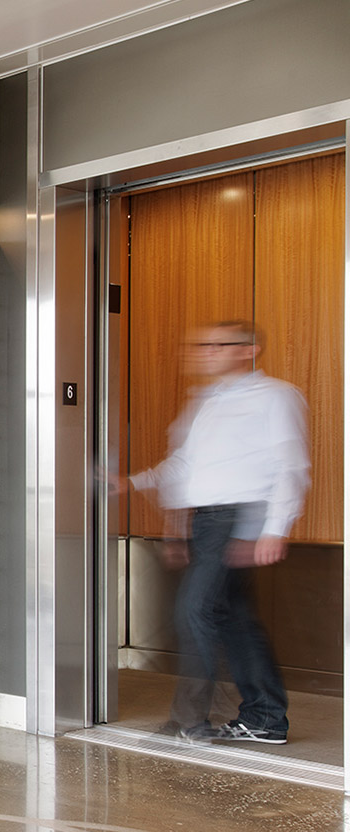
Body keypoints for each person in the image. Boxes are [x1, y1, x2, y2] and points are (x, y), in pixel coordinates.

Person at [118, 320, 306, 746]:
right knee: (237, 621)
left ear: (250, 350)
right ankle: (266, 718)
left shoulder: (275, 396)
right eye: (203, 345)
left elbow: (290, 467)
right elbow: (185, 466)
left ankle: (190, 722)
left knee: (195, 611)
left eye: (220, 345)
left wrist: (272, 529)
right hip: (209, 522)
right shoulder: (207, 400)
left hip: (238, 519)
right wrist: (132, 484)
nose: (207, 352)